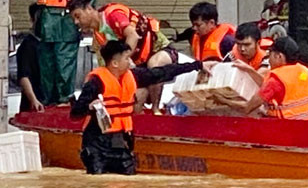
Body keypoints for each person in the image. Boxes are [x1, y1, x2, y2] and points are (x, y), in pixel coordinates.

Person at [70, 40, 209, 175]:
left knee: (127, 181)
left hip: (121, 142)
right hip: (97, 144)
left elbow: (162, 72)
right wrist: (90, 107)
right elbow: (75, 113)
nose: (130, 62)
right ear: (115, 63)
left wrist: (198, 65)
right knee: (98, 182)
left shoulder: (133, 76)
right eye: (126, 58)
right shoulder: (95, 83)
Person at [67, 0, 176, 112]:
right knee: (134, 98)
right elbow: (106, 68)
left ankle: (156, 109)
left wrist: (123, 60)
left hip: (159, 51)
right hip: (138, 65)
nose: (76, 22)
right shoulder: (98, 39)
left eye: (78, 16)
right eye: (74, 19)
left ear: (88, 8)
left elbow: (133, 36)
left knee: (154, 64)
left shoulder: (113, 15)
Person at [216, 36, 308, 121]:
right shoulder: (303, 71)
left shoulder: (276, 80)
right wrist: (249, 70)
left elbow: (247, 107)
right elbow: (270, 87)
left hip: (289, 130)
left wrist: (223, 100)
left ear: (279, 56)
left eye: (270, 54)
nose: (268, 59)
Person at [16, 5, 45, 112]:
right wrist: (33, 100)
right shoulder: (27, 46)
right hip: (35, 105)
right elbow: (24, 77)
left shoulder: (51, 46)